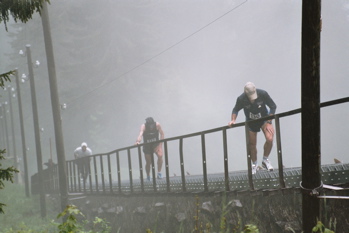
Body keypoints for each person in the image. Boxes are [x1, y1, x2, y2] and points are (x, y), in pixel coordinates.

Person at [228, 82, 277, 174]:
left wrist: (269, 121)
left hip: (264, 120)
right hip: (251, 122)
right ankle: (254, 165)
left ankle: (265, 160)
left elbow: (273, 106)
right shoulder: (241, 98)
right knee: (252, 144)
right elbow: (235, 109)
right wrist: (233, 120)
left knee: (270, 138)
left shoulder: (262, 94)